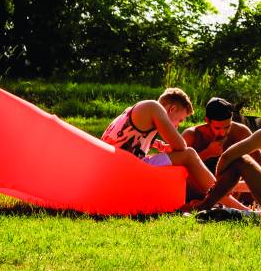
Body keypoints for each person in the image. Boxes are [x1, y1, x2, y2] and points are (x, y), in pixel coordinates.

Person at [101, 87, 245, 209]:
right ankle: (237, 207)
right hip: (123, 168)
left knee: (184, 155)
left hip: (117, 164)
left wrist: (158, 145)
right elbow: (181, 145)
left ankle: (226, 201)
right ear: (172, 109)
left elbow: (130, 139)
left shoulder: (138, 111)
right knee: (188, 154)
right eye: (180, 120)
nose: (177, 126)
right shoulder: (153, 107)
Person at [183, 97, 261, 173]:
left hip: (232, 186)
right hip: (198, 186)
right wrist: (207, 153)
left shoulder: (241, 132)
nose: (223, 132)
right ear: (207, 121)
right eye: (217, 128)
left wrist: (238, 186)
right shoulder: (191, 135)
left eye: (227, 127)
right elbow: (179, 167)